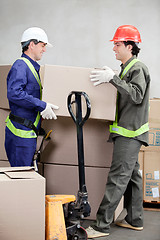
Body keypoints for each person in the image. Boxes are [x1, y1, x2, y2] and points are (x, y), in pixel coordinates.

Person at [86, 25, 151, 238]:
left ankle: (100, 225)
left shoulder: (137, 67)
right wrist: (114, 75)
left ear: (130, 46)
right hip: (128, 132)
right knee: (132, 177)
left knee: (117, 178)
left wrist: (112, 79)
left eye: (117, 44)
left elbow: (137, 95)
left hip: (130, 134)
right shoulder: (127, 68)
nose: (114, 48)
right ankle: (135, 219)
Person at [5, 27, 59, 167]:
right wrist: (42, 105)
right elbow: (14, 93)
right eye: (43, 45)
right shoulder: (20, 66)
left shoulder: (30, 67)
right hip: (20, 134)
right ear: (32, 44)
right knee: (22, 180)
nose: (44, 50)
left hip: (27, 133)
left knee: (27, 179)